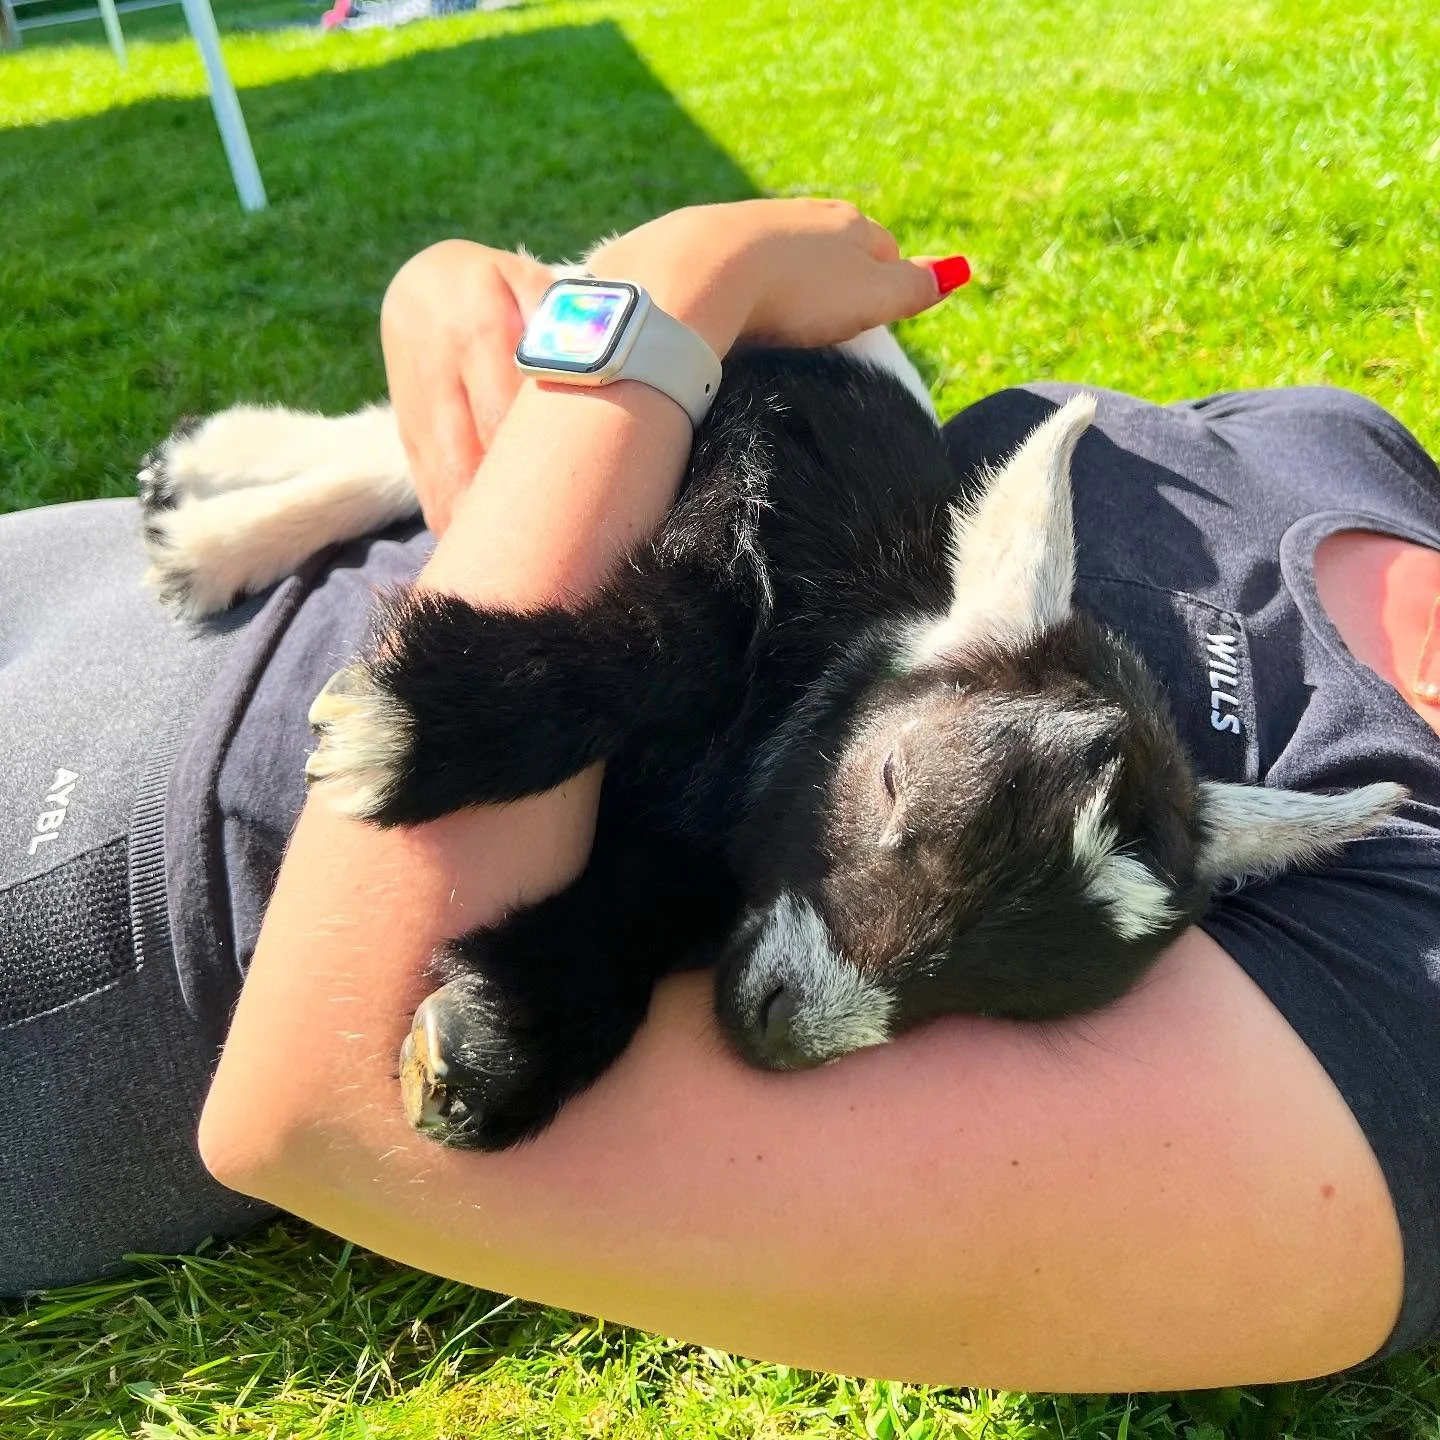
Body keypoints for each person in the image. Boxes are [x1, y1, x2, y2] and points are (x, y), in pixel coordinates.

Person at [4, 200, 1439, 1389]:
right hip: (158, 563)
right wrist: (501, 327)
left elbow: (328, 1111)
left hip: (129, 866)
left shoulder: (1408, 969)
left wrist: (659, 302)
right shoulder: (1346, 447)